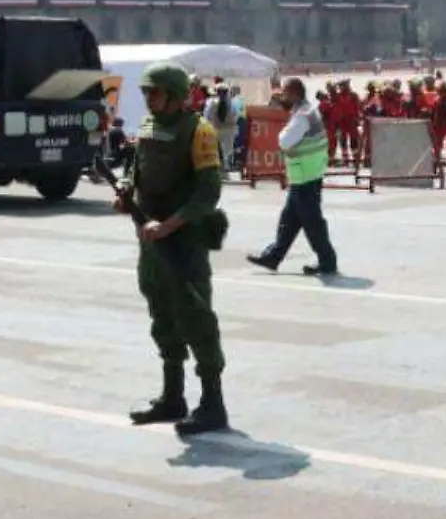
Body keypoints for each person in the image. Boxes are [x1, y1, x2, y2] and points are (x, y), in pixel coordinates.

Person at [114, 62, 231, 435]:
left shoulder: (199, 130)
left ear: (176, 95)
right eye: (146, 92)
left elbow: (208, 192)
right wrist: (126, 191)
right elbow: (136, 169)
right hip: (150, 238)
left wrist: (169, 225)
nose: (148, 99)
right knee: (162, 314)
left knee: (196, 318)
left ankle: (213, 404)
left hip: (184, 241)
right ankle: (173, 397)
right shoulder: (148, 127)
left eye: (155, 92)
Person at [245, 77, 339, 277]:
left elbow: (285, 141)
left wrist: (282, 132)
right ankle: (274, 256)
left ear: (295, 94)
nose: (282, 97)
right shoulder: (307, 110)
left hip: (305, 175)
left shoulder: (302, 116)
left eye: (285, 94)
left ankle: (327, 261)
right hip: (306, 174)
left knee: (312, 222)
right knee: (289, 220)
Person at [204, 81, 239, 173]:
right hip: (228, 129)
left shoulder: (211, 103)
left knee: (215, 147)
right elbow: (236, 115)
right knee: (227, 148)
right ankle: (226, 164)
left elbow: (207, 116)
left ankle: (217, 164)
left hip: (215, 128)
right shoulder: (232, 103)